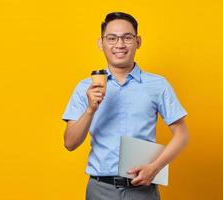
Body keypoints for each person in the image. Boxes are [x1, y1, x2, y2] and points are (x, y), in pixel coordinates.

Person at [62, 11, 189, 200]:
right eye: (112, 38)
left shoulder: (158, 84)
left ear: (138, 41)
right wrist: (90, 109)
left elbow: (182, 134)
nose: (119, 45)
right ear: (101, 43)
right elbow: (70, 143)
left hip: (143, 189)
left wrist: (154, 168)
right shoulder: (85, 88)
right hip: (100, 190)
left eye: (127, 38)